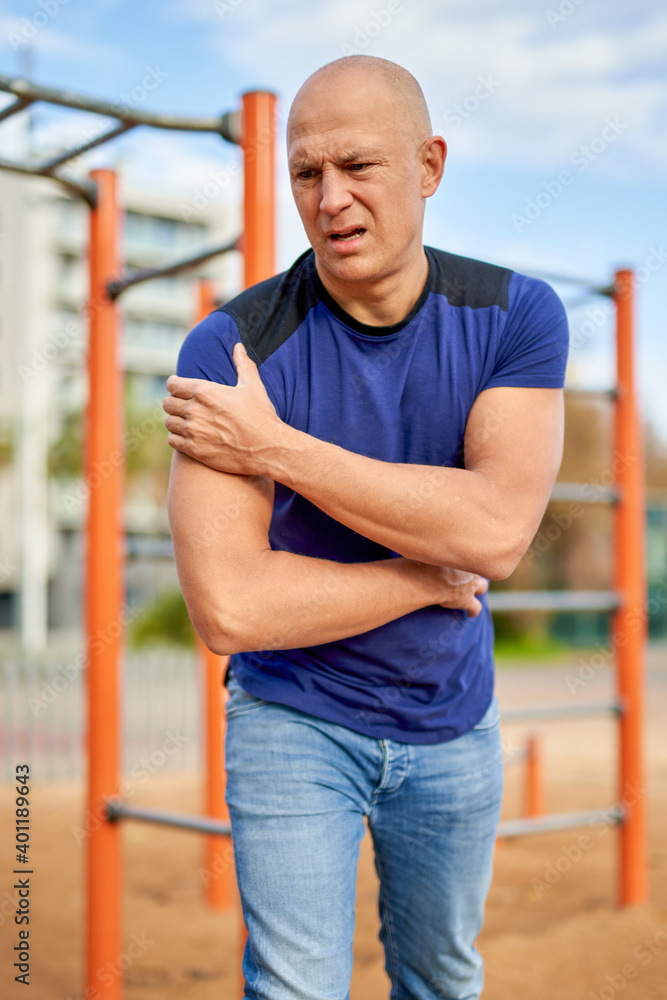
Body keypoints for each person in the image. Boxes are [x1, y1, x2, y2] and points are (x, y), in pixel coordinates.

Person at [163, 55, 568, 1000]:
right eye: (306, 173)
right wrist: (426, 577)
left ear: (428, 166)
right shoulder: (230, 347)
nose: (330, 198)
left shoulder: (515, 315)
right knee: (296, 985)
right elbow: (230, 609)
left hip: (450, 718)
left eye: (358, 166)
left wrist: (277, 451)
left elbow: (497, 532)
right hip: (292, 715)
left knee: (439, 979)